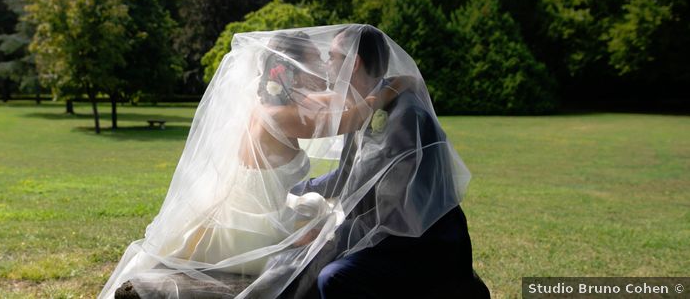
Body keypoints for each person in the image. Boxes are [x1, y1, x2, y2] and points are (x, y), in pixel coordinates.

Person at [98, 25, 476, 299]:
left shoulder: (291, 105)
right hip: (251, 226)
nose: (326, 71)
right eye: (318, 62)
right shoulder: (279, 114)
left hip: (261, 210)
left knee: (322, 228)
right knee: (315, 242)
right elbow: (355, 116)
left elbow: (344, 109)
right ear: (292, 70)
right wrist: (396, 85)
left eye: (331, 61)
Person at [286, 24, 489, 298]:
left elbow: (381, 198)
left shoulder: (405, 114)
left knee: (331, 276)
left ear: (353, 63)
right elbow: (347, 175)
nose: (326, 64)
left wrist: (329, 230)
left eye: (331, 57)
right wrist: (297, 190)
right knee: (294, 265)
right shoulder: (364, 106)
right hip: (382, 233)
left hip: (419, 243)